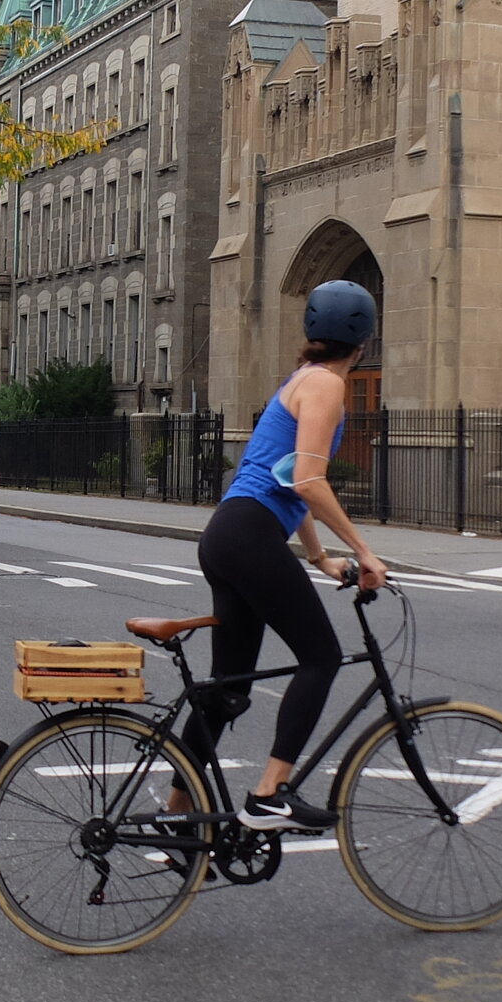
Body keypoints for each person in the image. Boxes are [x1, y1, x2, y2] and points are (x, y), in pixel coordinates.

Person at [179, 282, 390, 831]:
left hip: (229, 533)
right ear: (363, 342)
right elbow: (309, 480)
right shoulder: (325, 385)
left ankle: (176, 817)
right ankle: (270, 793)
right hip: (249, 535)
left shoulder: (300, 379)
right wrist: (364, 550)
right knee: (320, 657)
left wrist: (320, 558)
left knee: (228, 691)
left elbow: (284, 480)